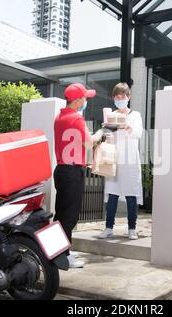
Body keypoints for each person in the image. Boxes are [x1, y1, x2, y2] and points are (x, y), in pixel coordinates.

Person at [54, 83, 103, 268]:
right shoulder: (76, 118)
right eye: (85, 98)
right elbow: (88, 144)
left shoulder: (59, 117)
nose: (86, 101)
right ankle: (61, 258)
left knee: (62, 215)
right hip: (72, 171)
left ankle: (61, 252)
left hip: (61, 170)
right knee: (69, 217)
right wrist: (101, 132)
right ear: (77, 100)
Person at [98, 82, 143, 240]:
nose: (120, 99)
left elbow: (138, 133)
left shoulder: (135, 115)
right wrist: (107, 128)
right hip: (115, 159)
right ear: (113, 98)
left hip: (130, 161)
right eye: (117, 97)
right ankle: (109, 227)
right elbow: (107, 137)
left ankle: (132, 229)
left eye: (122, 97)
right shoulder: (111, 114)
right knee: (112, 194)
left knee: (131, 194)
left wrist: (126, 127)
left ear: (128, 97)